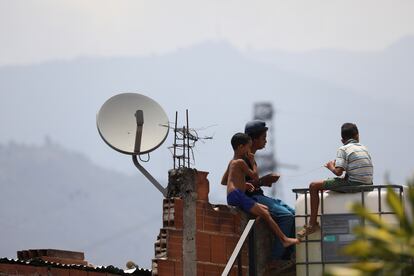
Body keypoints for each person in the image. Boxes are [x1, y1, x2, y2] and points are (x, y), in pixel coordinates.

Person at [223, 132, 300, 248]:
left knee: (265, 209)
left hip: (234, 194)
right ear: (240, 147)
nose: (249, 150)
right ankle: (284, 239)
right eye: (248, 147)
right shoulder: (240, 162)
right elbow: (255, 176)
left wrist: (244, 184)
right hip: (237, 195)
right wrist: (253, 162)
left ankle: (254, 226)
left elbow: (225, 181)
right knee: (265, 213)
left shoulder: (232, 162)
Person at [297, 122, 374, 238]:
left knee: (313, 186)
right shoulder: (364, 148)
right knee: (329, 184)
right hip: (368, 184)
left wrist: (330, 166)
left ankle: (312, 225)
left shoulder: (343, 149)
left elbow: (338, 172)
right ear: (357, 136)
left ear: (342, 140)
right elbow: (356, 171)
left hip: (354, 184)